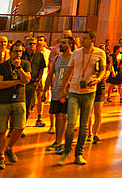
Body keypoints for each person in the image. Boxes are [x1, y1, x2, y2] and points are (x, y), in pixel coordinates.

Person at [57, 30, 108, 166]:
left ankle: (78, 154)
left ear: (92, 40)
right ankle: (66, 152)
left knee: (85, 125)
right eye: (82, 38)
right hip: (74, 91)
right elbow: (69, 70)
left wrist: (98, 79)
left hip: (90, 92)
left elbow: (103, 69)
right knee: (71, 123)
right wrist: (63, 89)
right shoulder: (76, 53)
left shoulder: (99, 53)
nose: (82, 40)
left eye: (85, 38)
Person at [0, 41, 31, 170]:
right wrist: (16, 82)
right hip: (4, 101)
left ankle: (9, 147)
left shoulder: (25, 64)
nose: (18, 54)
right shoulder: (2, 66)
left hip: (19, 100)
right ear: (10, 52)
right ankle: (1, 157)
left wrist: (19, 68)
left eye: (20, 51)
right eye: (16, 51)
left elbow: (26, 80)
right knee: (2, 130)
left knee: (20, 127)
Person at [45, 37, 74, 154]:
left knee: (63, 116)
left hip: (67, 93)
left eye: (63, 43)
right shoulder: (56, 59)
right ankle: (57, 141)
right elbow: (50, 74)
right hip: (56, 92)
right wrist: (44, 90)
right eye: (60, 43)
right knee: (57, 116)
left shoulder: (73, 58)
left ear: (70, 45)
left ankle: (61, 142)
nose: (60, 45)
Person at [21, 37, 46, 122]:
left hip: (32, 83)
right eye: (30, 44)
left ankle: (23, 125)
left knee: (28, 105)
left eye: (34, 44)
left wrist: (37, 81)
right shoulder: (21, 54)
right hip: (21, 83)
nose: (32, 45)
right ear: (26, 45)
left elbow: (41, 69)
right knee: (19, 104)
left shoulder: (39, 55)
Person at [34, 35, 51, 126]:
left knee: (41, 98)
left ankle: (39, 117)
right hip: (33, 78)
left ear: (45, 43)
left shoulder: (48, 53)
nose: (40, 42)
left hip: (43, 79)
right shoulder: (33, 52)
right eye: (38, 40)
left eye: (41, 40)